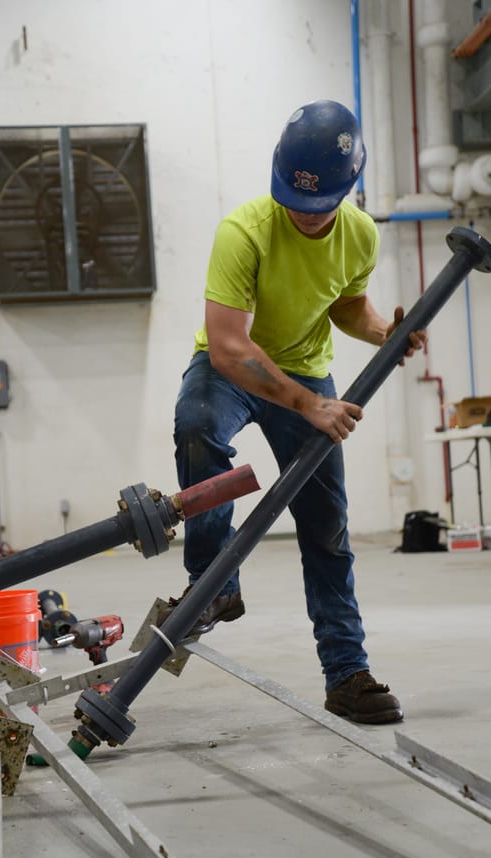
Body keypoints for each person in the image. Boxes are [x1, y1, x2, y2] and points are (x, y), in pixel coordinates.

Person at [160, 100, 426, 725]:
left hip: (307, 369)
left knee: (326, 525)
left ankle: (347, 673)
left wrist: (386, 331)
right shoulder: (244, 230)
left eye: (321, 207)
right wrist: (309, 404)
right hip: (232, 370)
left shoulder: (360, 233)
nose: (306, 217)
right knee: (197, 424)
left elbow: (344, 307)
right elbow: (228, 345)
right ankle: (212, 586)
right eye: (295, 203)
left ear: (346, 192)